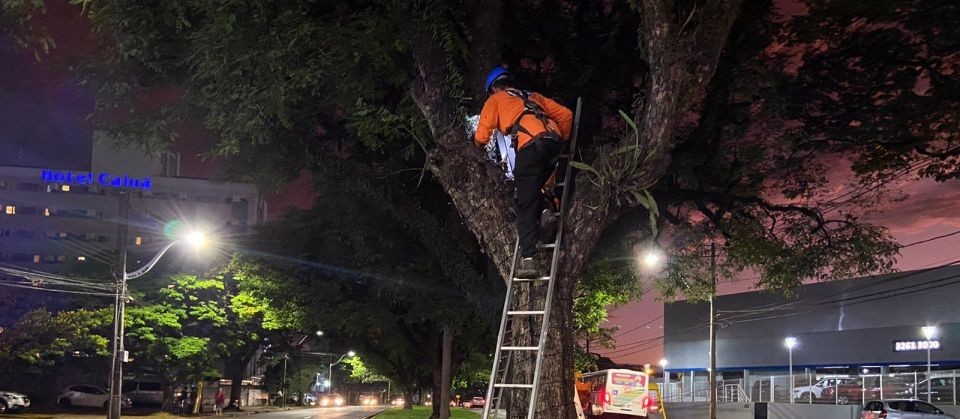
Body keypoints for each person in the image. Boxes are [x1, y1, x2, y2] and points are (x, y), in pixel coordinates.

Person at [474, 66, 573, 278]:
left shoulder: (496, 100)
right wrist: (561, 141)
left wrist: (476, 143)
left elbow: (482, 135)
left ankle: (528, 259)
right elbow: (566, 115)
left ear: (493, 89)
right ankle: (546, 211)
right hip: (552, 142)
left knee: (524, 202)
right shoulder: (532, 96)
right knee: (537, 184)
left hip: (530, 145)